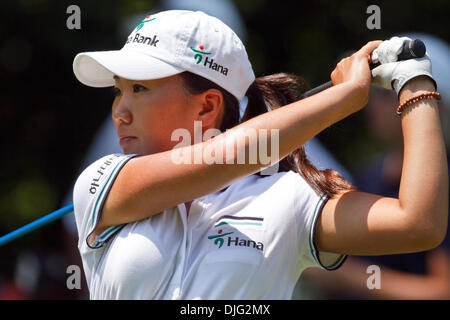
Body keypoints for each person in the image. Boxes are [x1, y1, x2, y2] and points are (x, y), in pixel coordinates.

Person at [71, 10, 448, 299]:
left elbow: (418, 223)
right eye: (118, 91)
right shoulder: (101, 181)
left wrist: (415, 85)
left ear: (207, 107)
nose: (119, 111)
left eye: (138, 88)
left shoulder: (288, 196)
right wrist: (342, 98)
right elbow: (231, 156)